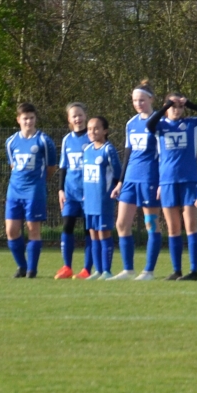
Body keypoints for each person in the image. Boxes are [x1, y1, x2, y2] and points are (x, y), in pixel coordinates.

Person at [112, 84, 168, 280]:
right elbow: (128, 153)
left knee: (151, 224)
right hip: (129, 180)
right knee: (121, 224)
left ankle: (148, 271)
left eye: (142, 100)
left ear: (151, 99)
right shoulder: (131, 123)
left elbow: (163, 155)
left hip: (149, 179)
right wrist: (120, 181)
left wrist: (162, 182)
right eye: (135, 100)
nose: (138, 104)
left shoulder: (159, 123)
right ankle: (128, 269)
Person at [155, 92, 197, 281]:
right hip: (167, 181)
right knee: (173, 228)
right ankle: (176, 270)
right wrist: (165, 106)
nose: (176, 110)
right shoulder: (160, 126)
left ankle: (194, 271)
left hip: (188, 181)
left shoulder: (191, 125)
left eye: (180, 106)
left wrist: (190, 103)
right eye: (173, 106)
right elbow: (149, 124)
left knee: (191, 226)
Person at [4, 102, 58, 279]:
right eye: (25, 118)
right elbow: (13, 165)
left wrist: (39, 182)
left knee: (33, 229)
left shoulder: (44, 140)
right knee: (11, 231)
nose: (29, 122)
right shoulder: (11, 142)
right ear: (18, 119)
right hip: (14, 190)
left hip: (34, 191)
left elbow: (51, 167)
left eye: (32, 118)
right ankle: (22, 266)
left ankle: (32, 270)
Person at [79, 117, 118, 278]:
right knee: (93, 234)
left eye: (96, 128)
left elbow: (117, 173)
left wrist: (114, 191)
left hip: (103, 200)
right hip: (89, 200)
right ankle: (98, 270)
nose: (92, 132)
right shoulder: (87, 150)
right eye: (89, 129)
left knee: (103, 233)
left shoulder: (108, 149)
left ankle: (107, 271)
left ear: (105, 131)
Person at [56, 102, 91, 278]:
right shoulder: (67, 139)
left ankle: (87, 269)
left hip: (89, 192)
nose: (77, 118)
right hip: (71, 192)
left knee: (88, 230)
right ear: (69, 119)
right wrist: (60, 190)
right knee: (67, 227)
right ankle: (67, 267)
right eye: (73, 116)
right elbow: (63, 166)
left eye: (80, 115)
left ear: (85, 116)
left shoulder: (92, 137)